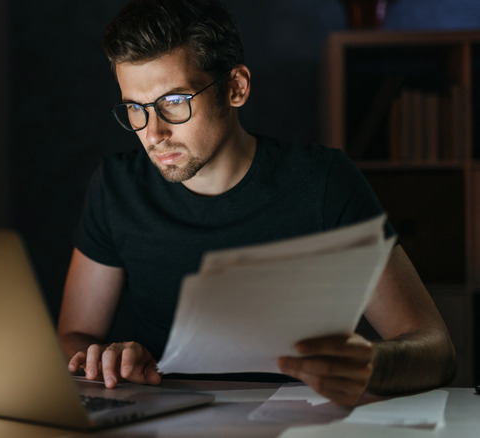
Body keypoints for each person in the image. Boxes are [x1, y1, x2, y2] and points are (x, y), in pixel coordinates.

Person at [56, 0, 456, 407]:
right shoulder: (116, 187)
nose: (153, 133)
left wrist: (370, 363)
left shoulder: (323, 182)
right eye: (135, 109)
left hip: (297, 421)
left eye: (174, 102)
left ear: (236, 88)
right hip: (163, 418)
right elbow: (74, 336)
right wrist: (104, 359)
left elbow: (437, 350)